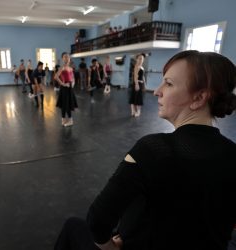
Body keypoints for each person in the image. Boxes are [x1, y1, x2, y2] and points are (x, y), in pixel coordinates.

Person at [54, 50, 236, 250]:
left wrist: (110, 247)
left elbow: (97, 221)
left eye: (169, 84)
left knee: (73, 226)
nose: (157, 91)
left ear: (199, 97)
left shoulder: (153, 150)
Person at [55, 52, 78, 127]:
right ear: (62, 58)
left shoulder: (71, 68)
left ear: (69, 58)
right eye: (65, 57)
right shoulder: (62, 67)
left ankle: (69, 120)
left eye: (68, 57)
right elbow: (56, 77)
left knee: (69, 104)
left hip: (70, 88)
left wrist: (73, 83)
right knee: (64, 104)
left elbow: (73, 78)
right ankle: (64, 119)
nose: (67, 58)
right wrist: (63, 84)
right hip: (64, 88)